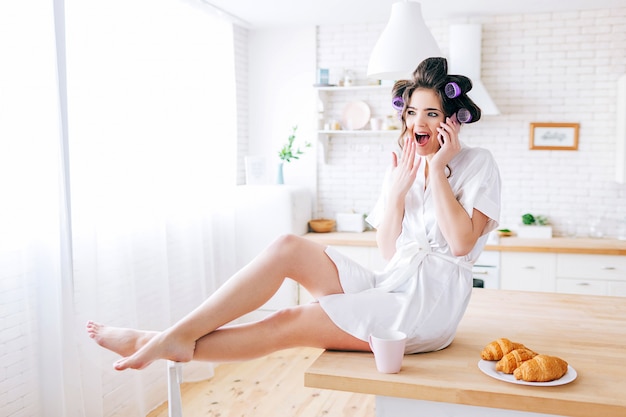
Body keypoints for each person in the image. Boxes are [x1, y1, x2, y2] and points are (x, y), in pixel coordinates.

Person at [87, 57, 501, 370]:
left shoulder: (478, 164)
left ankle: (160, 341)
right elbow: (392, 253)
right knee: (287, 246)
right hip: (392, 284)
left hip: (426, 310)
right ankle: (175, 336)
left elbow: (463, 244)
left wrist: (436, 171)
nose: (418, 123)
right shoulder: (403, 163)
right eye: (412, 112)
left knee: (289, 319)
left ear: (452, 118)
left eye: (431, 113)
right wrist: (396, 194)